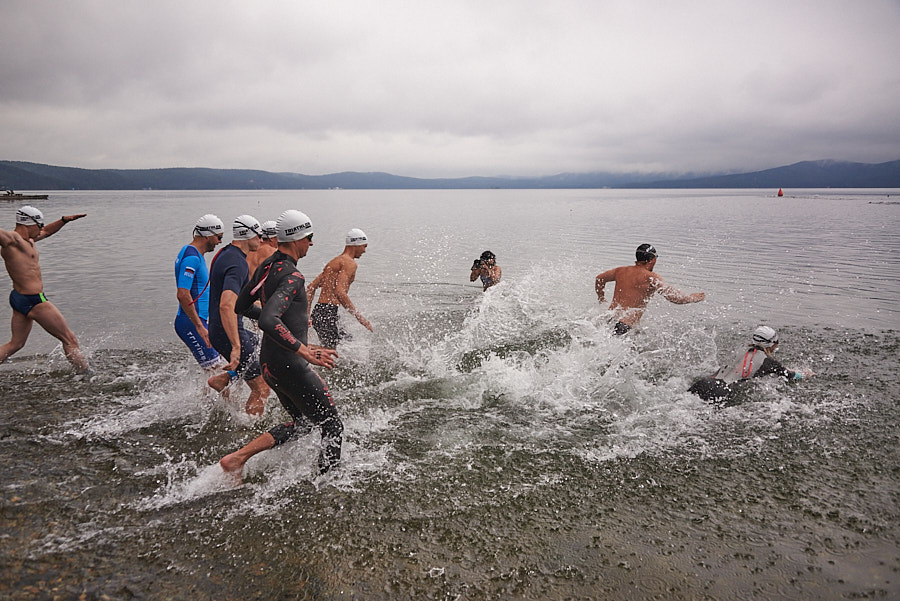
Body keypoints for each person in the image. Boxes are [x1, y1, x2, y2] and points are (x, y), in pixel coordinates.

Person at [220, 209, 341, 482]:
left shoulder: (267, 266)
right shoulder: (292, 276)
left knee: (305, 423)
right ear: (297, 238)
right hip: (290, 363)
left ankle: (237, 459)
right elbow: (268, 319)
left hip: (270, 364)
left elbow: (242, 306)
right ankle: (327, 485)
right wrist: (305, 350)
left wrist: (285, 322)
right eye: (309, 237)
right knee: (333, 426)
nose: (311, 243)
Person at [0, 206, 89, 372]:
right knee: (69, 339)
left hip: (19, 298)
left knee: (16, 344)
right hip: (34, 301)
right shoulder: (13, 240)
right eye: (39, 225)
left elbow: (46, 232)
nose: (41, 228)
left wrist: (63, 221)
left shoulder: (30, 240)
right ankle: (85, 375)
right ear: (28, 223)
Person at [207, 215, 270, 415]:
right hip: (227, 331)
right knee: (262, 387)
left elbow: (238, 306)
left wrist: (267, 316)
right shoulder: (237, 263)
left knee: (261, 345)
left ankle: (223, 379)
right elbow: (227, 306)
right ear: (248, 234)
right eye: (259, 235)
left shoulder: (226, 254)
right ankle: (250, 430)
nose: (261, 240)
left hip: (223, 328)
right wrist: (236, 346)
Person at [173, 214, 231, 389]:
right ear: (207, 235)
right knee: (219, 372)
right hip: (191, 323)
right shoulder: (192, 257)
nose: (220, 241)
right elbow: (183, 294)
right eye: (219, 237)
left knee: (215, 370)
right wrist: (199, 326)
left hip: (197, 321)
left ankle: (205, 406)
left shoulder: (189, 251)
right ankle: (230, 412)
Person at [595, 244, 705, 335]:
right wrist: (692, 298)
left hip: (609, 320)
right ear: (652, 259)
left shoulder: (620, 271)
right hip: (624, 326)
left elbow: (599, 279)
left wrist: (601, 298)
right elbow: (673, 297)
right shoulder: (651, 277)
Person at [688, 326, 815, 404]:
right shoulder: (768, 362)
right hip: (722, 391)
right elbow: (790, 376)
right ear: (771, 344)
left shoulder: (740, 351)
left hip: (704, 382)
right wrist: (805, 374)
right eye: (777, 341)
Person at [306, 228, 373, 348]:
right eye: (364, 246)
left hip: (320, 312)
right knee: (338, 350)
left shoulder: (334, 262)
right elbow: (339, 292)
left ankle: (302, 350)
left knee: (344, 347)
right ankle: (299, 349)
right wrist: (360, 318)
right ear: (356, 245)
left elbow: (311, 288)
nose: (364, 251)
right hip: (328, 313)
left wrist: (307, 316)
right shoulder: (350, 263)